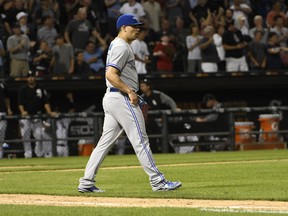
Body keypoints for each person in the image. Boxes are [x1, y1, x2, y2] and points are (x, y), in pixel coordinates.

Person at [78, 14, 182, 193]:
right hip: (121, 97)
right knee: (141, 140)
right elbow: (111, 74)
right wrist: (129, 91)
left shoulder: (117, 44)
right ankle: (158, 181)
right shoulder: (121, 46)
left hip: (112, 97)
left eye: (139, 26)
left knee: (104, 142)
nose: (138, 29)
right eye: (134, 26)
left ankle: (86, 182)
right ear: (124, 27)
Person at [18, 70, 58, 158]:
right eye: (29, 77)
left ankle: (38, 153)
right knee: (25, 135)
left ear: (35, 78)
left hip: (37, 116)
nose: (30, 78)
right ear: (27, 78)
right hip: (26, 117)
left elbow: (45, 102)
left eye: (32, 76)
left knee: (39, 135)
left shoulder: (40, 88)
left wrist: (49, 111)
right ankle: (28, 154)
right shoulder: (23, 89)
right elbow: (20, 103)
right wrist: (22, 112)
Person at [0, 80, 13, 159]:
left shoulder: (2, 84)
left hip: (1, 112)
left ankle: (0, 157)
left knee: (1, 136)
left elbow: (6, 98)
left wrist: (8, 109)